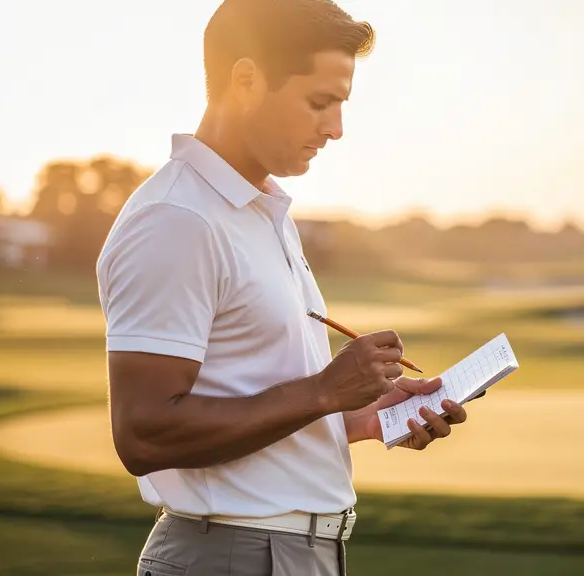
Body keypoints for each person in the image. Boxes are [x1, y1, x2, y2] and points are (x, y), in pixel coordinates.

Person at [95, 1, 469, 574]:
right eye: (320, 102)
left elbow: (255, 396)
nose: (336, 129)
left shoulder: (260, 213)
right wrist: (323, 391)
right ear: (246, 80)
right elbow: (144, 434)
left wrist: (360, 417)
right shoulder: (177, 219)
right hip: (231, 556)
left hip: (294, 554)